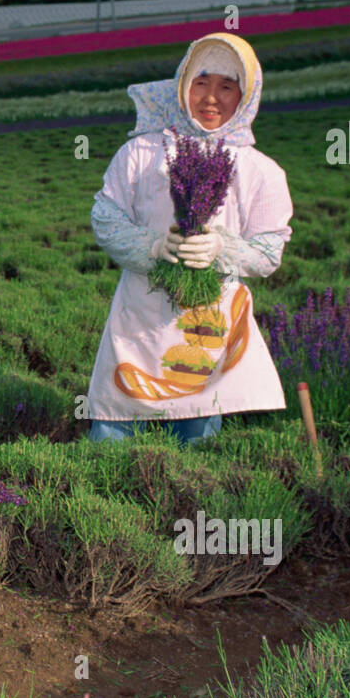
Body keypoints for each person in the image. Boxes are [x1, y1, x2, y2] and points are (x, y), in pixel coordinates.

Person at [85, 32, 293, 447]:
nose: (211, 98)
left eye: (227, 86)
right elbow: (105, 219)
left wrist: (222, 249)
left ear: (246, 96)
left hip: (208, 331)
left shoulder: (261, 171)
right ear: (182, 85)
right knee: (112, 436)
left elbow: (269, 253)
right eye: (201, 82)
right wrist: (153, 247)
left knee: (196, 443)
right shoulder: (140, 153)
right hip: (138, 326)